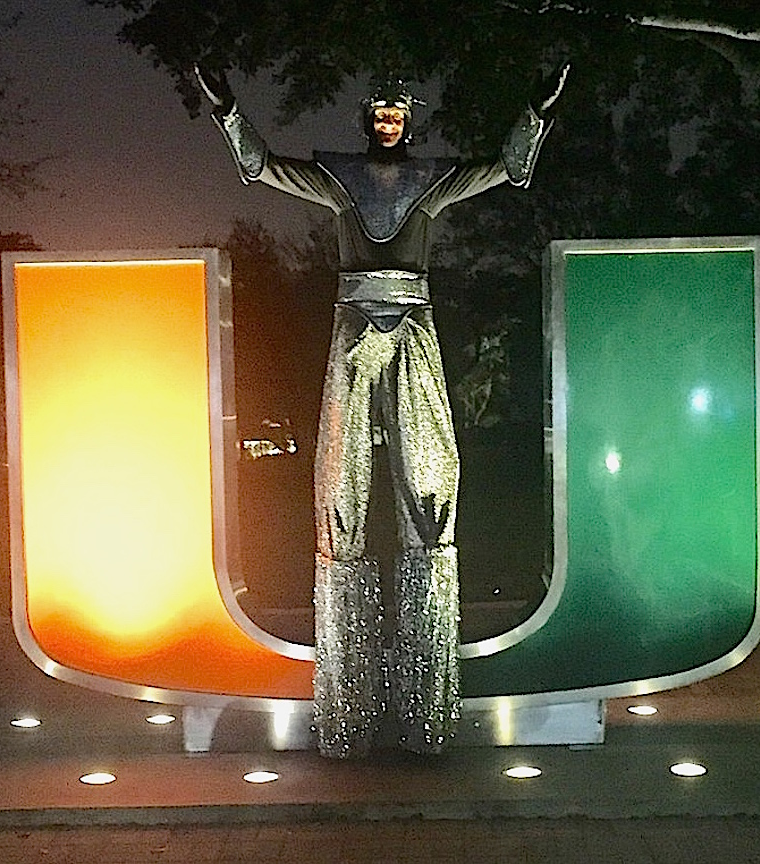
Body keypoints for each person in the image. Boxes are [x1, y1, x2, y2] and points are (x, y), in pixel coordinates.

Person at [197, 66, 568, 758]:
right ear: (367, 119)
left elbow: (509, 169)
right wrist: (226, 110)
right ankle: (346, 707)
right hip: (352, 320)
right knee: (339, 473)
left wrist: (535, 111)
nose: (389, 122)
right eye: (381, 113)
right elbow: (259, 168)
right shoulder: (339, 178)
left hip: (414, 318)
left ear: (408, 121)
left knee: (430, 471)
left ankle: (428, 700)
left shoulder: (430, 179)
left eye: (399, 114)